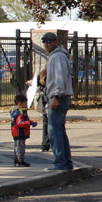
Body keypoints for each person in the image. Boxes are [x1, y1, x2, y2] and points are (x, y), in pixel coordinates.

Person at [41, 32, 74, 171]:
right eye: (44, 41)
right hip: (59, 96)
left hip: (58, 97)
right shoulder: (57, 55)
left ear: (55, 42)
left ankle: (60, 163)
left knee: (55, 132)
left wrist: (56, 96)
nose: (46, 44)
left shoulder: (58, 56)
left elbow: (60, 78)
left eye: (48, 41)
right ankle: (66, 162)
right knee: (59, 131)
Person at [10, 92, 38, 166]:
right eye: (26, 103)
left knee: (17, 146)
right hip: (20, 132)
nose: (27, 105)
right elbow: (20, 123)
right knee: (20, 147)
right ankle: (20, 161)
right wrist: (29, 122)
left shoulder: (18, 111)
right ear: (20, 104)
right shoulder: (20, 112)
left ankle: (17, 160)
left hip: (17, 132)